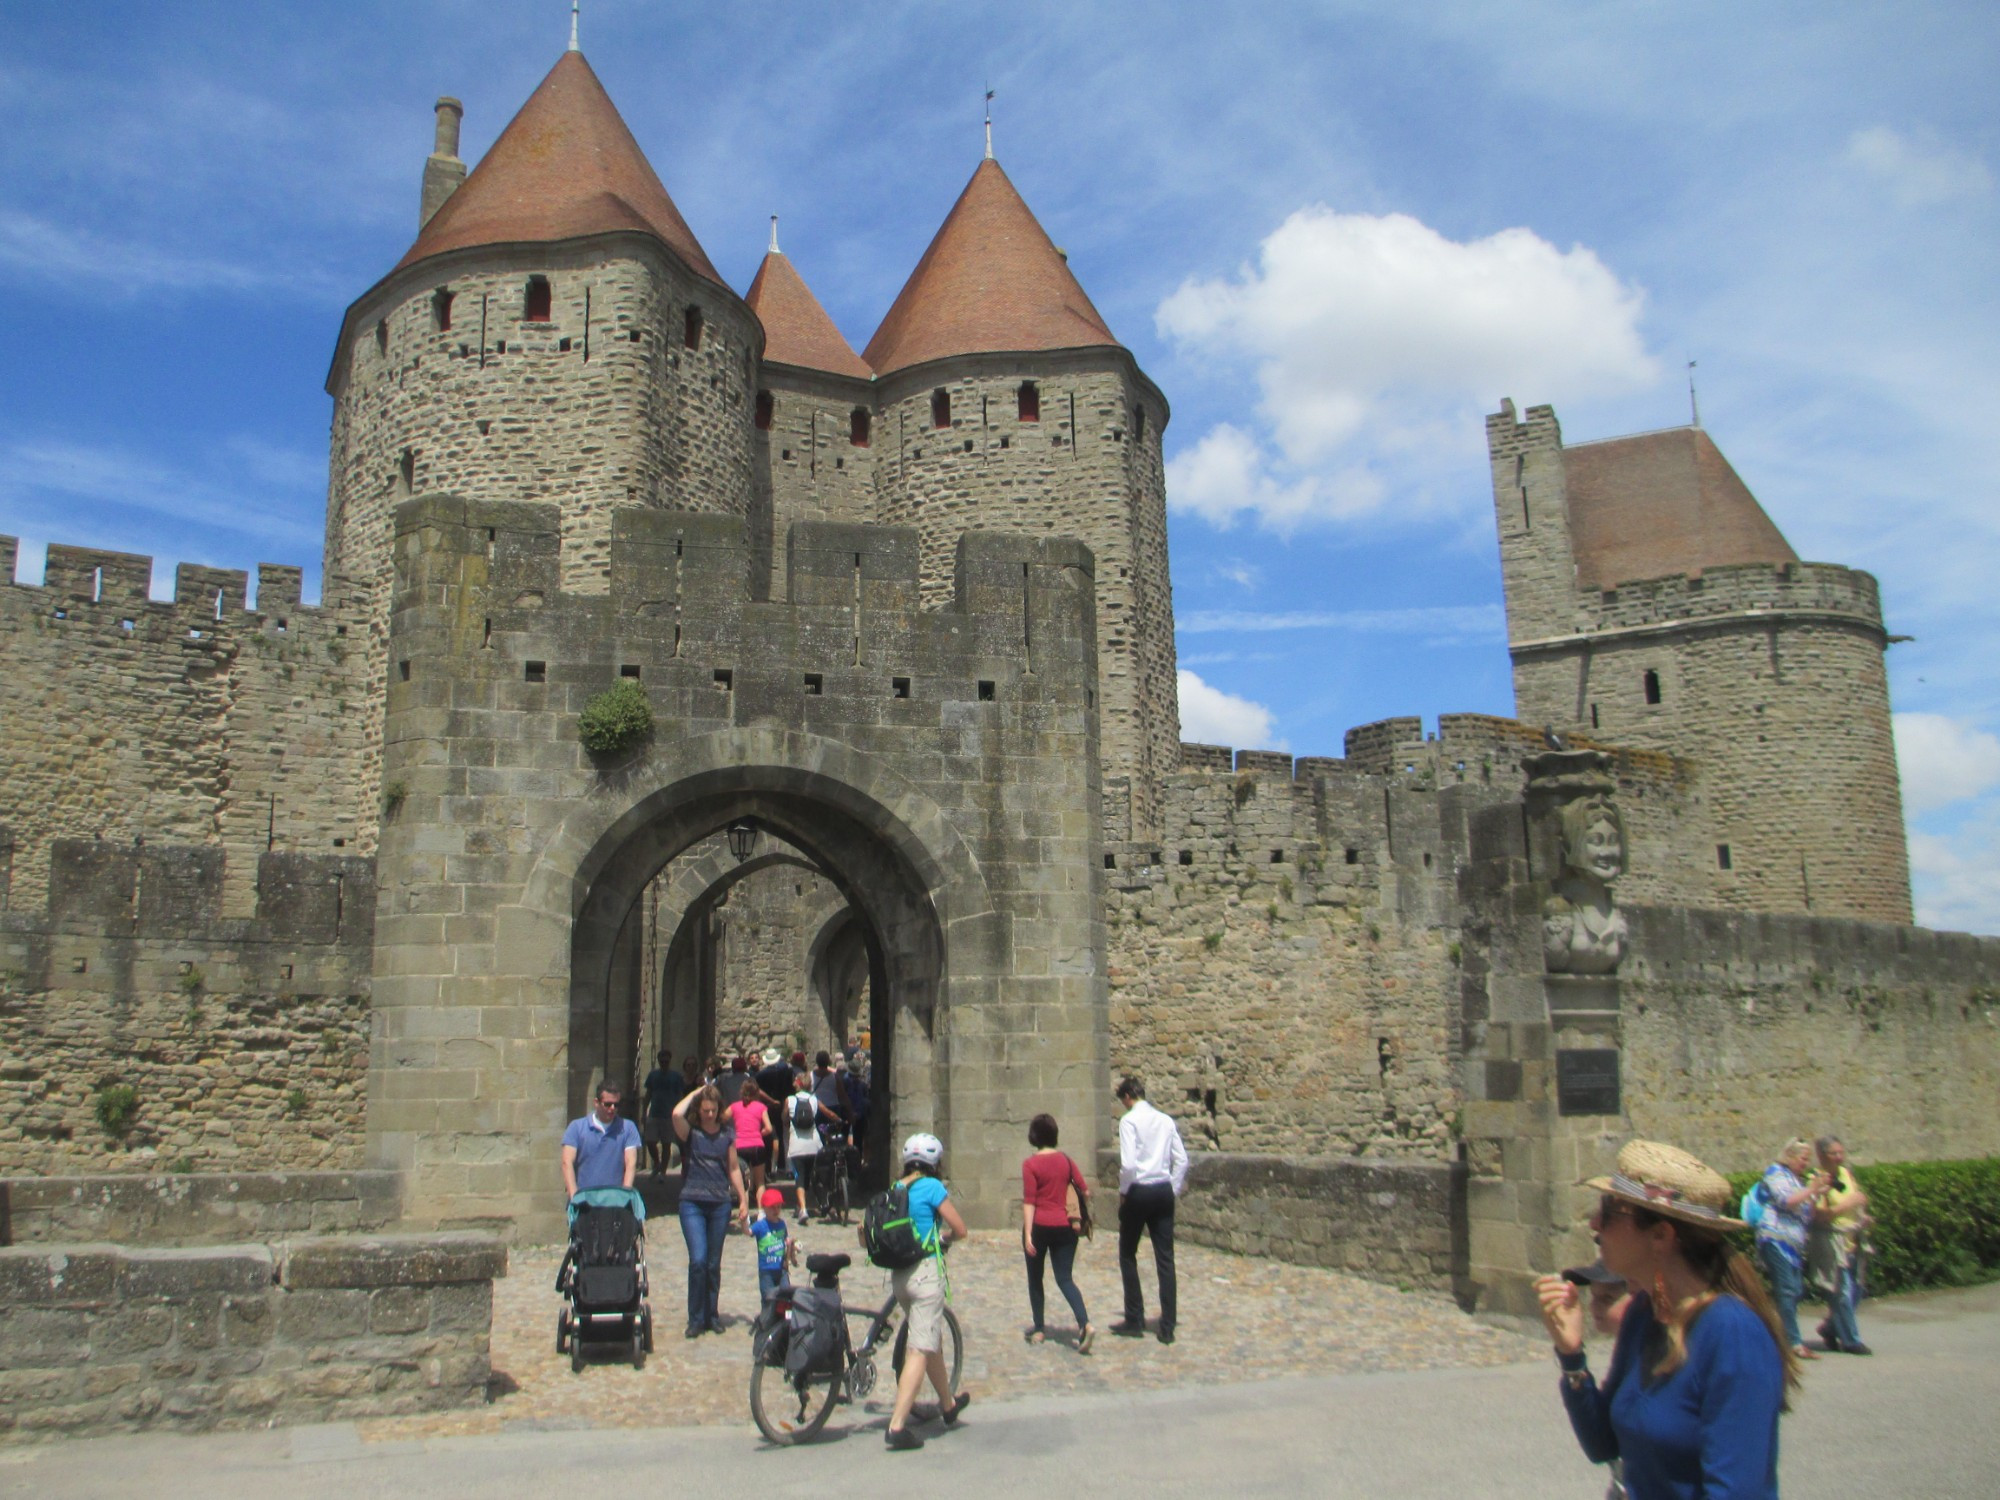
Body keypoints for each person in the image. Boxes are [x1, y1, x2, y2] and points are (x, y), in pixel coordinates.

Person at [1536, 1139, 1796, 1500]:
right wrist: (1571, 1356)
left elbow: (1735, 1492)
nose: (1594, 1224)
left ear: (1660, 1235)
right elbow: (1604, 1445)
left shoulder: (1733, 1333)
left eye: (1610, 1211)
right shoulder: (1645, 1313)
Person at [883, 1132, 972, 1451]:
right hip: (925, 1275)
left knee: (928, 1338)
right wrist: (944, 1239)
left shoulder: (896, 1188)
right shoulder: (932, 1187)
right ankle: (897, 1426)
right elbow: (960, 1229)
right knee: (918, 1350)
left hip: (900, 1277)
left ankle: (947, 1406)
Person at [1110, 1076, 1187, 1345]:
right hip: (1163, 1190)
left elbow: (1129, 1164)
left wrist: (1124, 1192)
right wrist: (1171, 1189)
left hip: (1140, 1190)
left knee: (1127, 1253)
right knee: (1165, 1258)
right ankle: (1167, 1325)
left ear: (1128, 1097)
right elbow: (1182, 1160)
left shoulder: (1129, 1121)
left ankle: (1135, 1317)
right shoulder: (1165, 1120)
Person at [671, 1082, 748, 1338]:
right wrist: (695, 1092)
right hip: (692, 1201)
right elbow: (675, 1114)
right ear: (699, 1110)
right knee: (699, 1260)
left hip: (719, 1203)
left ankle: (711, 1315)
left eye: (713, 1110)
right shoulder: (690, 1133)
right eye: (705, 1110)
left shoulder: (727, 1135)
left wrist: (743, 1199)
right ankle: (695, 1317)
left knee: (713, 1263)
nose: (710, 1115)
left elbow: (733, 1168)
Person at [1021, 1113, 1095, 1352]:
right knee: (1064, 1278)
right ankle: (1084, 1324)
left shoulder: (1030, 1164)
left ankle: (1040, 1328)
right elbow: (1085, 1190)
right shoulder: (1066, 1160)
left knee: (1036, 1278)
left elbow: (1030, 1201)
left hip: (1041, 1226)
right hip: (1065, 1227)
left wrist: (1028, 1234)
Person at [1561, 1259, 1633, 1500]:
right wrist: (1571, 1357)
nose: (1593, 1307)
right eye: (1593, 1297)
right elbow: (1601, 1447)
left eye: (1607, 1299)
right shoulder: (1627, 1354)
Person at [1755, 1137, 1832, 1360]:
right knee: (1787, 1290)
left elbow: (1808, 1213)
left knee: (1794, 1290)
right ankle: (1792, 1342)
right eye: (1803, 1158)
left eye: (1808, 1159)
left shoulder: (1797, 1180)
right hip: (1775, 1238)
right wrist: (1811, 1189)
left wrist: (1818, 1193)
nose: (1805, 1164)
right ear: (1789, 1155)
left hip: (1793, 1244)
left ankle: (1774, 1332)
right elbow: (1786, 1201)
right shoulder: (1775, 1173)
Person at [1810, 1135, 1873, 1355]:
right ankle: (1851, 1340)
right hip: (1831, 1241)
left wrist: (1862, 1216)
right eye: (1833, 1154)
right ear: (1821, 1156)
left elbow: (1858, 1199)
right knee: (1843, 1293)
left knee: (1857, 1290)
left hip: (1852, 1239)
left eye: (1841, 1152)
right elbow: (1818, 1215)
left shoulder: (1846, 1174)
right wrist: (1848, 1204)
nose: (1839, 1157)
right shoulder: (1816, 1180)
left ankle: (1830, 1328)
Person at [560, 1080, 639, 1196]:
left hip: (614, 1199)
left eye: (616, 1105)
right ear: (596, 1102)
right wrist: (574, 1196)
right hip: (585, 1198)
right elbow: (567, 1162)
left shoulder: (627, 1128)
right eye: (607, 1104)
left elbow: (630, 1163)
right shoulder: (576, 1127)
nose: (612, 1108)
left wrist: (625, 1194)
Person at [784, 1070, 828, 1222]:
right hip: (814, 1145)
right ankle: (823, 1202)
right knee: (815, 1176)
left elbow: (784, 1118)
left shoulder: (789, 1100)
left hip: (797, 1146)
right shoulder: (814, 1100)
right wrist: (841, 1119)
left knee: (800, 1178)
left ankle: (803, 1209)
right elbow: (827, 1112)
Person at [728, 1080, 775, 1203]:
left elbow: (721, 1118)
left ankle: (745, 1210)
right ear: (756, 1093)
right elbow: (769, 1128)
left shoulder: (734, 1106)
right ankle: (761, 1212)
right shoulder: (761, 1107)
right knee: (760, 1182)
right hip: (757, 1146)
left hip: (739, 1146)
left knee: (742, 1180)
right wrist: (758, 1134)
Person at [749, 1187, 797, 1305]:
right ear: (764, 1208)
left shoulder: (781, 1224)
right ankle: (767, 1321)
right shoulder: (760, 1225)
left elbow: (785, 1239)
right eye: (772, 1207)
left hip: (782, 1269)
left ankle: (787, 1320)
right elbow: (748, 1232)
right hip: (766, 1270)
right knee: (768, 1299)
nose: (776, 1210)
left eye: (779, 1207)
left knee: (787, 1297)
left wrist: (790, 1245)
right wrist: (743, 1221)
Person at [641, 1050, 684, 1176]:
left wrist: (679, 1113)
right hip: (654, 1113)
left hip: (668, 1115)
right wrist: (644, 1112)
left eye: (666, 1061)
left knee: (666, 1144)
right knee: (650, 1141)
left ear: (669, 1061)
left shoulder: (676, 1076)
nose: (664, 1063)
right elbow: (648, 1094)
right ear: (659, 1061)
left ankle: (663, 1172)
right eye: (662, 1061)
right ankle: (657, 1163)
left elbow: (680, 1095)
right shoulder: (653, 1075)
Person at [755, 1047, 795, 1169]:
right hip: (782, 1104)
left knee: (767, 1135)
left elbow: (758, 1091)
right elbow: (790, 1088)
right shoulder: (786, 1072)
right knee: (782, 1134)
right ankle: (782, 1164)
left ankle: (767, 1165)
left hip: (766, 1106)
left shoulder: (760, 1075)